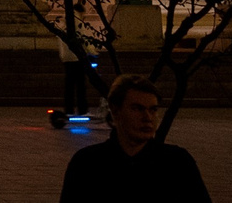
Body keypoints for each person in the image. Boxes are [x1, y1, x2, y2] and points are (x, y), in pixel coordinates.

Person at [59, 74, 209, 203]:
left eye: (153, 110)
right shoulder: (88, 164)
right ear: (116, 112)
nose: (148, 118)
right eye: (137, 109)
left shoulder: (177, 163)